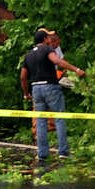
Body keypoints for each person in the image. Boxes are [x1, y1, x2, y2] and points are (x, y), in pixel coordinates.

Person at [20, 28, 85, 160]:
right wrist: (76, 69)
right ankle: (63, 152)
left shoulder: (28, 55)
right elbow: (57, 62)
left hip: (35, 89)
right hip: (50, 87)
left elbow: (23, 77)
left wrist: (26, 94)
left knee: (41, 121)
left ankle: (42, 154)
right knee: (59, 118)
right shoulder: (47, 50)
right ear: (45, 39)